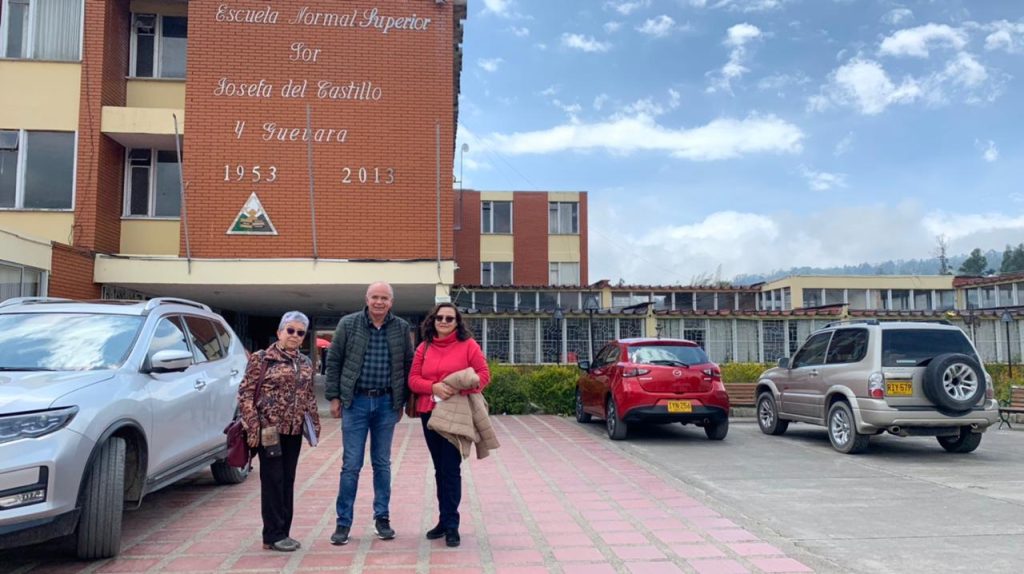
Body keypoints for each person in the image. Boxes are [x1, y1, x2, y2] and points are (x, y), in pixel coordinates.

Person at [325, 282, 413, 545]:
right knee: (351, 465)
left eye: (384, 298)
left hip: (386, 403)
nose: (379, 302)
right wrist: (334, 397)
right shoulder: (348, 324)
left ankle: (382, 518)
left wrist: (402, 401)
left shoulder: (401, 327)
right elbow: (334, 361)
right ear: (366, 299)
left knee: (382, 463)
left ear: (391, 302)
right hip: (356, 403)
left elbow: (407, 364)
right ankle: (343, 523)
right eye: (375, 297)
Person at [408, 303, 490, 548]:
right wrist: (433, 387)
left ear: (457, 322)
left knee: (451, 468)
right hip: (430, 413)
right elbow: (413, 380)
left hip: (457, 413)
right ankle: (443, 520)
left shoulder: (469, 345)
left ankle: (452, 524)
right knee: (439, 468)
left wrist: (457, 388)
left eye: (449, 318)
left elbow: (484, 375)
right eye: (439, 318)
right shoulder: (424, 347)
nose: (444, 322)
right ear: (433, 321)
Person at [238, 311, 320, 552]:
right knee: (273, 480)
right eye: (290, 330)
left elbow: (308, 396)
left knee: (287, 480)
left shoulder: (305, 362)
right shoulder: (262, 358)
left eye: (300, 332)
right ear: (279, 332)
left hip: (293, 430)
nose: (294, 335)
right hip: (269, 430)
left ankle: (284, 532)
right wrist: (253, 425)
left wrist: (314, 426)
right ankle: (272, 535)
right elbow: (245, 393)